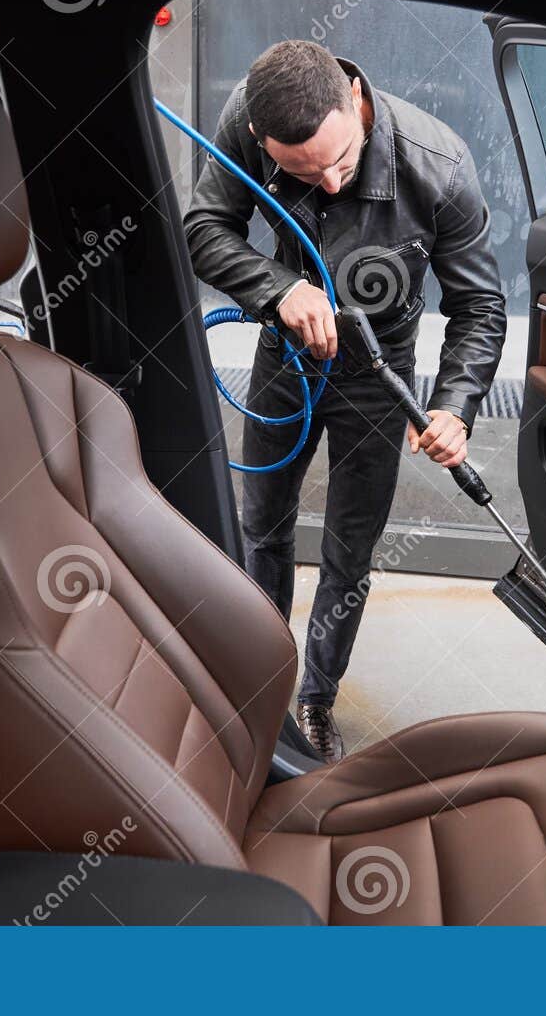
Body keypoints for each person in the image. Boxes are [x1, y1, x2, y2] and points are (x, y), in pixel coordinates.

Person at [184, 40, 505, 762]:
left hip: (379, 374)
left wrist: (453, 405)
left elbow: (481, 305)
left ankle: (317, 699)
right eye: (302, 173)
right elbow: (205, 230)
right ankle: (260, 689)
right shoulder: (246, 116)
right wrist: (280, 288)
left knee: (347, 552)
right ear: (264, 141)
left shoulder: (440, 164)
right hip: (285, 354)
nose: (327, 185)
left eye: (343, 162)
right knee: (260, 527)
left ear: (355, 104)